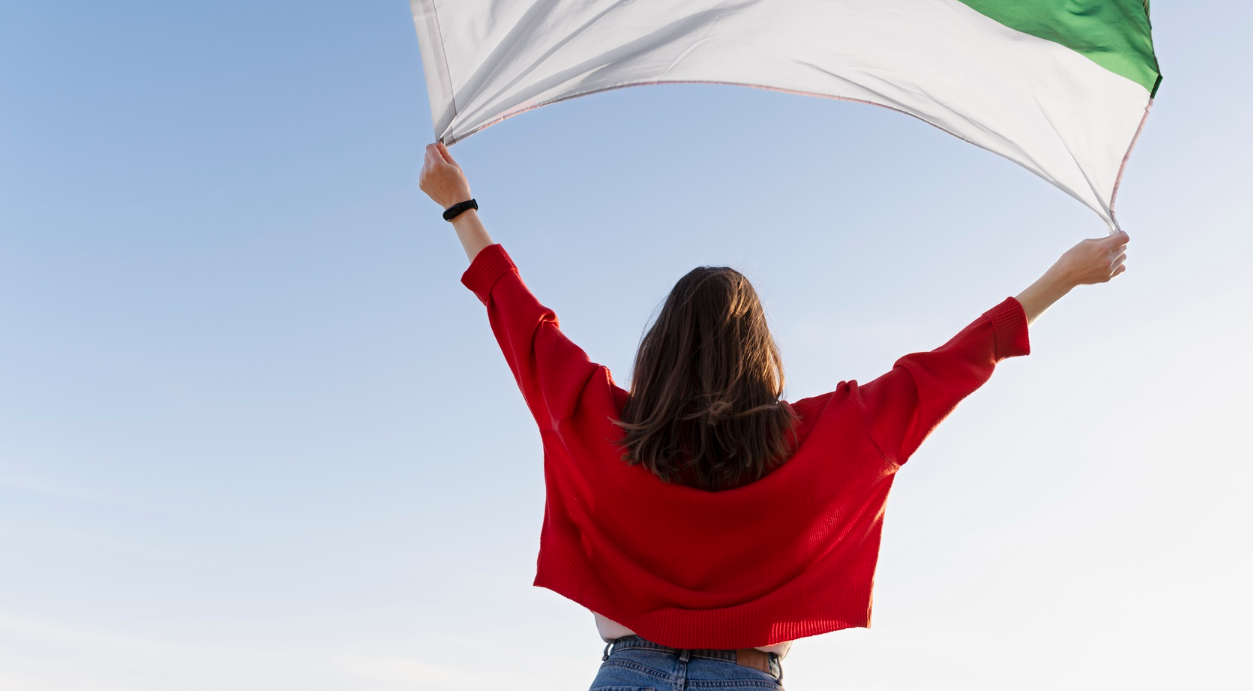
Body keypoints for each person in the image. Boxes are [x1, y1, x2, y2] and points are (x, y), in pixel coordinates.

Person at [419, 142, 1128, 690]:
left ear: (659, 347)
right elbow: (947, 368)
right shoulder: (827, 436)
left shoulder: (598, 420)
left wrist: (460, 206)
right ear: (760, 355)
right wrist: (1063, 277)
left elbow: (519, 318)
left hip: (625, 673)